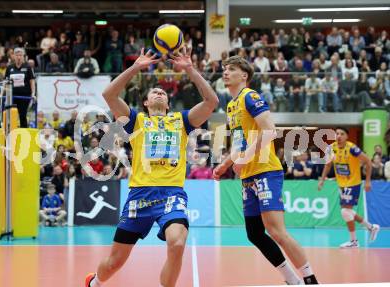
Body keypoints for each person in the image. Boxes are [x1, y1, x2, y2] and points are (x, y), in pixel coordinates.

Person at [85, 47, 218, 287]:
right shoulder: (136, 121)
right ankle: (94, 282)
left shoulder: (181, 121)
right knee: (114, 263)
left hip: (171, 193)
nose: (158, 93)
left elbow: (211, 102)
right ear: (146, 103)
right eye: (153, 92)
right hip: (139, 195)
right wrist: (135, 67)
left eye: (162, 92)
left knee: (177, 243)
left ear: (168, 103)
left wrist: (190, 69)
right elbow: (109, 94)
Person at [212, 55, 318, 285]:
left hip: (266, 171)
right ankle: (292, 279)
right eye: (224, 69)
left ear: (244, 75)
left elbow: (270, 131)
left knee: (277, 231)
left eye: (231, 69)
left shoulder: (250, 96)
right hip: (248, 175)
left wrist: (245, 158)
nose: (225, 72)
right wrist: (225, 164)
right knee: (254, 233)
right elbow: (239, 143)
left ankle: (310, 279)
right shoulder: (231, 105)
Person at [318, 127, 380, 248]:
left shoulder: (352, 149)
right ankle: (371, 227)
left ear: (347, 136)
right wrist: (322, 179)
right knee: (348, 212)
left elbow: (368, 161)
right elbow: (328, 165)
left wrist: (368, 181)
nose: (339, 136)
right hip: (342, 184)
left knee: (345, 211)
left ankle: (354, 241)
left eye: (342, 134)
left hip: (353, 183)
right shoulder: (332, 148)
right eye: (337, 134)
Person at [4, 47, 36, 128]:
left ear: (23, 56)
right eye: (17, 55)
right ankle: (10, 132)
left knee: (22, 115)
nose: (18, 57)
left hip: (24, 96)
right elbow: (6, 82)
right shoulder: (9, 68)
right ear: (14, 56)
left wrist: (33, 93)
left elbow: (32, 81)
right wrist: (2, 93)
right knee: (10, 115)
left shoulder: (28, 67)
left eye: (20, 55)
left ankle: (23, 131)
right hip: (12, 96)